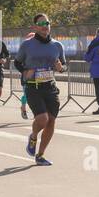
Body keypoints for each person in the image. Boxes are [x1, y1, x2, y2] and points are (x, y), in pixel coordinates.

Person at [15, 13, 65, 166]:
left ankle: (40, 155)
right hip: (33, 87)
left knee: (51, 122)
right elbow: (17, 63)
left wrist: (61, 68)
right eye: (41, 24)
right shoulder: (27, 45)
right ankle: (33, 135)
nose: (45, 26)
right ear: (35, 27)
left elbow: (63, 65)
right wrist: (25, 72)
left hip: (50, 86)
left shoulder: (57, 45)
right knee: (43, 119)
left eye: (47, 23)